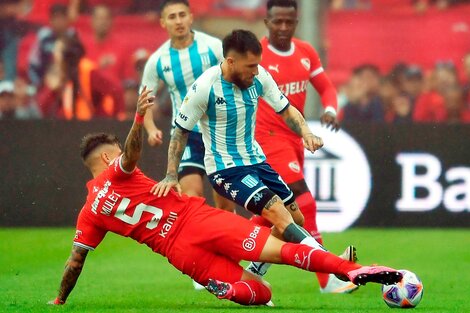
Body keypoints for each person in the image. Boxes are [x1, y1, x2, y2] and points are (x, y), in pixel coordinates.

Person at [48, 88, 403, 306]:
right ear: (108, 158)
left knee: (259, 294)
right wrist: (139, 118)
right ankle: (353, 270)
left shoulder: (88, 213)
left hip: (178, 252)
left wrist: (60, 299)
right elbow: (132, 155)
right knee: (285, 252)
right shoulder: (117, 169)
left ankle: (229, 290)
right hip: (198, 221)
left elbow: (75, 262)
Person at [154, 28, 338, 276]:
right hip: (225, 169)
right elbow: (179, 132)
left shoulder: (260, 76)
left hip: (257, 161)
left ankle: (252, 272)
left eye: (257, 65)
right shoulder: (205, 87)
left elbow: (286, 109)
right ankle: (333, 266)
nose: (256, 71)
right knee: (279, 215)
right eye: (250, 66)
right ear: (230, 62)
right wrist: (170, 175)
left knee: (296, 221)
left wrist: (306, 133)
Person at [253, 0, 356, 293]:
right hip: (266, 137)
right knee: (303, 201)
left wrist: (331, 111)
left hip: (294, 139)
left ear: (296, 21)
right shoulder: (256, 55)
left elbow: (326, 87)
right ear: (267, 22)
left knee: (268, 212)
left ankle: (247, 269)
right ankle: (327, 278)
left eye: (289, 22)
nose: (283, 28)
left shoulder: (306, 52)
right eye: (277, 22)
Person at [140, 0, 235, 212]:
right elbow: (144, 99)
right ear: (163, 22)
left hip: (217, 131)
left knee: (225, 205)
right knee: (191, 199)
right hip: (184, 133)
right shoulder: (157, 60)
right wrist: (151, 128)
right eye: (172, 17)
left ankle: (225, 243)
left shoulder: (213, 47)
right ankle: (200, 243)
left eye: (182, 15)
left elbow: (237, 77)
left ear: (191, 17)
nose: (178, 21)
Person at [37, 35, 125, 120]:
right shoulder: (61, 76)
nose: (54, 56)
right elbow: (43, 109)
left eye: (57, 52)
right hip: (71, 129)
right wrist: (52, 89)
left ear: (68, 55)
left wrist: (103, 119)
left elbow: (115, 90)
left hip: (91, 128)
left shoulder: (88, 71)